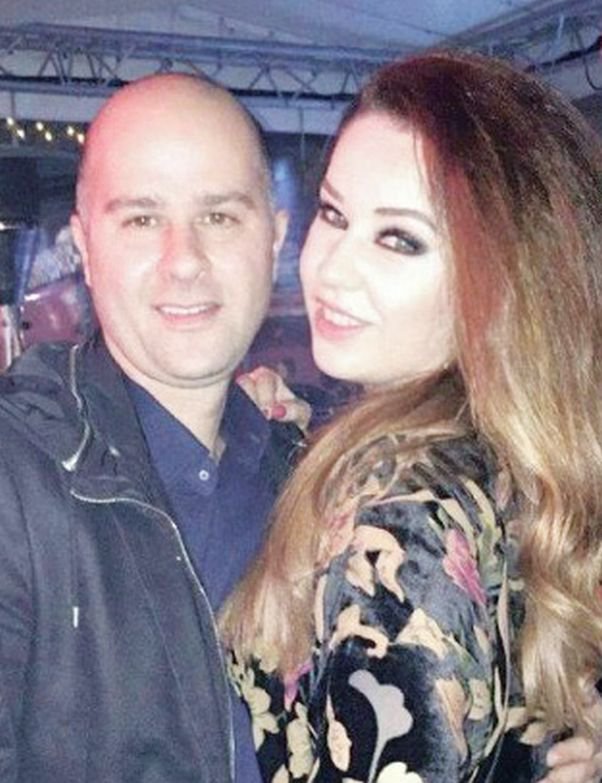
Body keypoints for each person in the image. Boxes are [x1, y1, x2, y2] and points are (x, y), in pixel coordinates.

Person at [221, 50, 602, 783]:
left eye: (399, 238)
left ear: (508, 276)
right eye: (333, 214)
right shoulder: (510, 459)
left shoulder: (401, 523)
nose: (330, 268)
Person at [0, 72, 302, 782]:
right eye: (141, 219)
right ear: (85, 246)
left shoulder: (317, 476)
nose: (184, 259)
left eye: (219, 216)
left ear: (275, 238)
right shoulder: (14, 483)